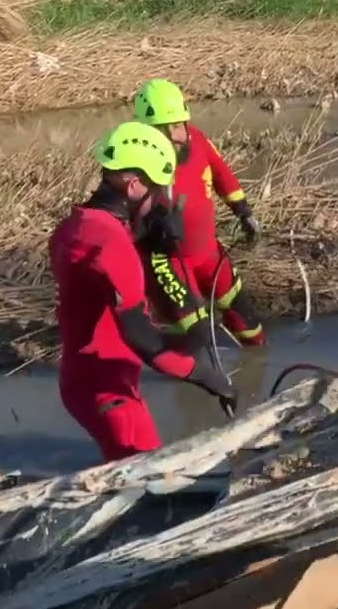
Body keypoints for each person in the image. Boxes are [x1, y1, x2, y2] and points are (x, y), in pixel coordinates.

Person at [49, 120, 239, 463]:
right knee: (153, 483)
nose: (163, 200)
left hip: (91, 380)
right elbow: (142, 338)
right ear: (133, 184)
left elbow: (97, 277)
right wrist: (207, 376)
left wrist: (146, 241)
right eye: (158, 190)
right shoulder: (111, 244)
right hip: (111, 394)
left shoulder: (75, 226)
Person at [131, 78, 267, 350]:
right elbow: (121, 223)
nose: (174, 136)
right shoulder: (133, 164)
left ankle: (257, 364)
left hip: (208, 253)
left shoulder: (199, 141)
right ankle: (197, 381)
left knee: (247, 321)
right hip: (168, 262)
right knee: (196, 336)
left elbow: (222, 174)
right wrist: (151, 230)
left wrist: (243, 212)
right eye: (163, 129)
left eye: (177, 125)